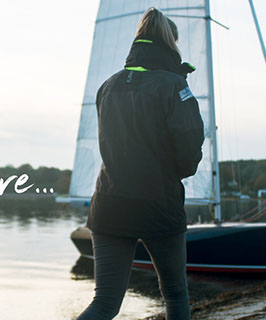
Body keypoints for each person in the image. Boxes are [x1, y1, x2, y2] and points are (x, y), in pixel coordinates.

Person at [76, 7, 205, 320]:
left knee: (104, 303)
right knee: (175, 293)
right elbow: (188, 153)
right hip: (158, 204)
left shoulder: (107, 86)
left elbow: (110, 143)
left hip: (109, 204)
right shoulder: (176, 86)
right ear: (171, 42)